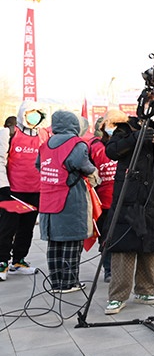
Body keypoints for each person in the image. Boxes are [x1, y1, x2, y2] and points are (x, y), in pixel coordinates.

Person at [103, 111, 154, 314]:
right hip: (129, 196)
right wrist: (135, 137)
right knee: (124, 246)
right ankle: (117, 296)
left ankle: (145, 290)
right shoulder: (126, 127)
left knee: (152, 244)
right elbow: (112, 151)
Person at [37, 111, 97, 293]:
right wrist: (94, 173)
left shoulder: (46, 144)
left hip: (48, 198)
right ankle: (69, 283)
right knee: (72, 241)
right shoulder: (76, 144)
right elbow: (82, 165)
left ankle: (56, 283)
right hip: (70, 199)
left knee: (54, 243)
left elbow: (38, 165)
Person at [0, 101, 50, 280]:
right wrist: (3, 186)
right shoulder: (8, 133)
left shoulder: (43, 135)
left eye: (37, 113)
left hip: (35, 190)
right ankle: (2, 262)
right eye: (30, 113)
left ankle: (19, 260)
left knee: (27, 228)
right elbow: (0, 159)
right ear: (23, 113)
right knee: (7, 227)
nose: (34, 117)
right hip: (12, 190)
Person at [89, 113, 120, 282]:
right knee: (106, 238)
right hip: (102, 202)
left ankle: (121, 269)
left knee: (121, 237)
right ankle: (109, 269)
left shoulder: (124, 145)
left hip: (123, 200)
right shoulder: (94, 147)